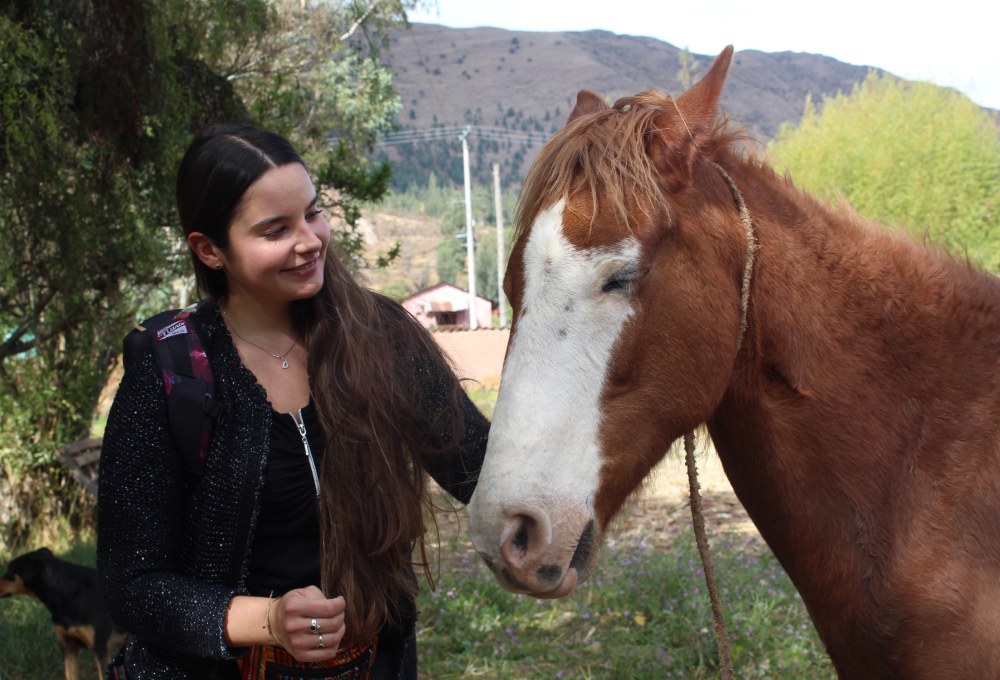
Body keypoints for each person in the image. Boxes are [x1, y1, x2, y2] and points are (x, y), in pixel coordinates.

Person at [97, 124, 490, 679]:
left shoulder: (381, 335)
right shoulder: (171, 372)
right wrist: (270, 619)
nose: (309, 240)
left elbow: (477, 465)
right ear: (209, 249)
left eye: (313, 212)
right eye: (275, 229)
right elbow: (133, 584)